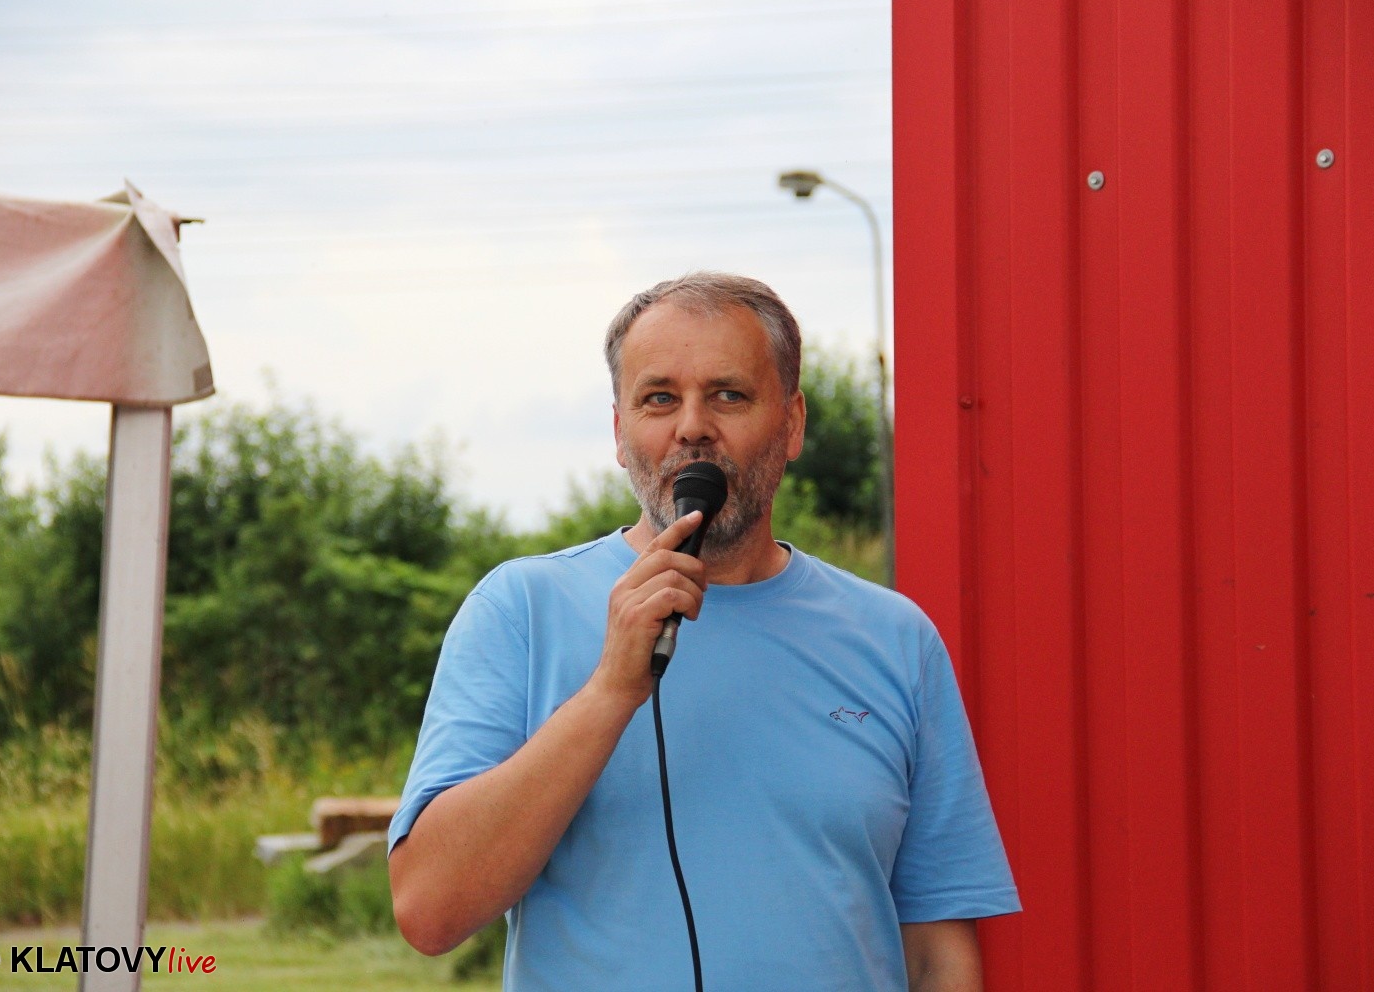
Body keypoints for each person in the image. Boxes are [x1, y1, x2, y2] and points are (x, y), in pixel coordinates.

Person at [388, 272, 1019, 991]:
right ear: (620, 433)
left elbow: (936, 949)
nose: (692, 426)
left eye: (728, 395)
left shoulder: (896, 640)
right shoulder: (520, 611)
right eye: (659, 398)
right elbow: (430, 910)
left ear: (792, 425)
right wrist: (609, 692)